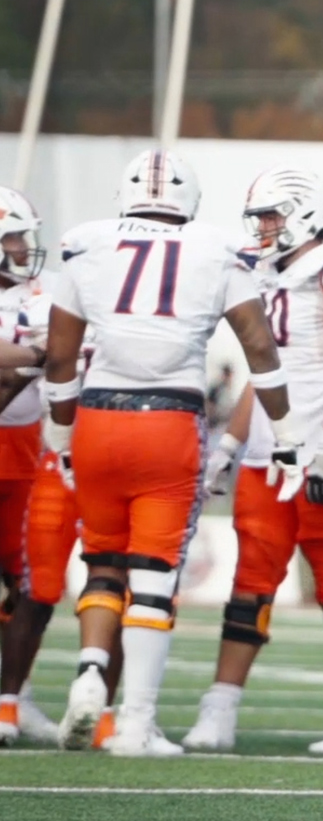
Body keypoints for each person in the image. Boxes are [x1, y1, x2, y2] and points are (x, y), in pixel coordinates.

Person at [49, 149, 302, 756]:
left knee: (103, 561)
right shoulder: (216, 251)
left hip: (97, 416)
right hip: (168, 420)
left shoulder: (87, 246)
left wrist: (60, 436)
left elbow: (60, 361)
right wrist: (288, 435)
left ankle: (89, 674)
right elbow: (259, 350)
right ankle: (135, 724)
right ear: (189, 201)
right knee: (155, 578)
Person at [186, 166, 323, 754]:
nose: (264, 229)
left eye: (272, 216)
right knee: (249, 583)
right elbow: (269, 376)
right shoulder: (269, 276)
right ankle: (220, 706)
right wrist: (227, 446)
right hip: (265, 458)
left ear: (305, 212)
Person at [0, 186, 95, 746]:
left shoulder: (42, 292)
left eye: (22, 236)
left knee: (27, 581)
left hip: (28, 452)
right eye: (10, 236)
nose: (20, 247)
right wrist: (41, 354)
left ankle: (15, 693)